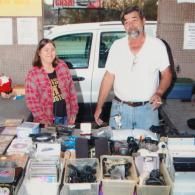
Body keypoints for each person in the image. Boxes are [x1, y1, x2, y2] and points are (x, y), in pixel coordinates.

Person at [94, 5, 172, 130]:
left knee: (148, 148)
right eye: (126, 22)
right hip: (119, 109)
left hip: (147, 110)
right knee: (117, 147)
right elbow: (108, 78)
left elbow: (167, 75)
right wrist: (99, 106)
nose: (131, 25)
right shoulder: (117, 46)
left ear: (143, 20)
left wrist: (159, 93)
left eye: (134, 20)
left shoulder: (157, 45)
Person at [25, 38, 78, 127]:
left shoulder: (62, 66)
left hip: (66, 116)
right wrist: (42, 120)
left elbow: (72, 90)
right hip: (46, 120)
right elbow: (32, 101)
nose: (50, 53)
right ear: (39, 53)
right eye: (46, 50)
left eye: (52, 50)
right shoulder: (33, 74)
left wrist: (74, 112)